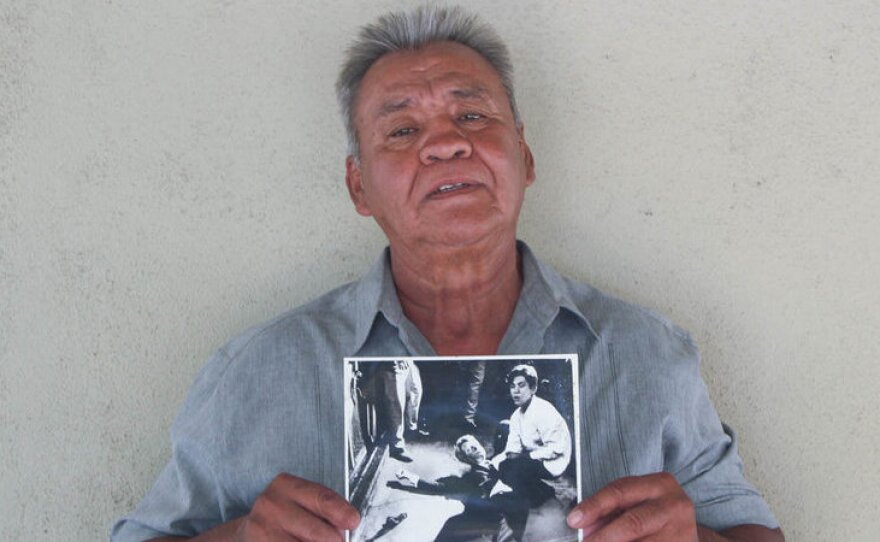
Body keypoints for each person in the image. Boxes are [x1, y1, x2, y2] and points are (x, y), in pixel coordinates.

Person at [111, 5, 784, 542]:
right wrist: (237, 539)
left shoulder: (649, 356)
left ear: (523, 157)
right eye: (401, 132)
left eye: (472, 114)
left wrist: (696, 540)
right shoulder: (258, 373)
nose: (445, 142)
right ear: (358, 188)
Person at [394, 435, 505, 542]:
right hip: (484, 521)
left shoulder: (495, 463)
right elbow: (435, 487)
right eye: (469, 450)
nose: (475, 448)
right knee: (451, 526)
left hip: (503, 515)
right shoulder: (470, 478)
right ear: (467, 459)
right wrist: (411, 478)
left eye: (474, 445)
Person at [496, 365, 571, 506]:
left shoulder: (543, 410)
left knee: (511, 469)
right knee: (503, 466)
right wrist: (499, 460)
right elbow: (512, 448)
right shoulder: (516, 416)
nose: (516, 391)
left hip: (554, 462)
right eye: (512, 386)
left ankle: (544, 494)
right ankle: (537, 492)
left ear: (533, 388)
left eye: (521, 385)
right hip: (533, 455)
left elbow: (557, 448)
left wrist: (526, 457)